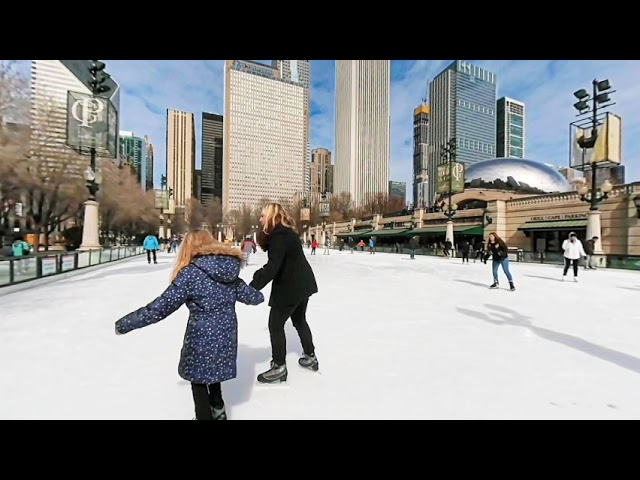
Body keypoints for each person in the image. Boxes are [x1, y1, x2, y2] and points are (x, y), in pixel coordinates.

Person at [114, 229, 264, 420]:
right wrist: (258, 293)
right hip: (226, 334)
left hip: (201, 337)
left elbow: (160, 308)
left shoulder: (190, 274)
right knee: (213, 372)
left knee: (198, 380)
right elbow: (253, 297)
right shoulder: (229, 270)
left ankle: (204, 416)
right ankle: (218, 410)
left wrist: (126, 323)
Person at [250, 202, 319, 384]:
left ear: (271, 216)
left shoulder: (278, 235)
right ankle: (310, 356)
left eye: (263, 215)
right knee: (299, 320)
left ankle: (279, 366)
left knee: (275, 324)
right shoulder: (287, 232)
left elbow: (273, 266)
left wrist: (253, 285)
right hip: (302, 284)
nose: (260, 219)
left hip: (291, 285)